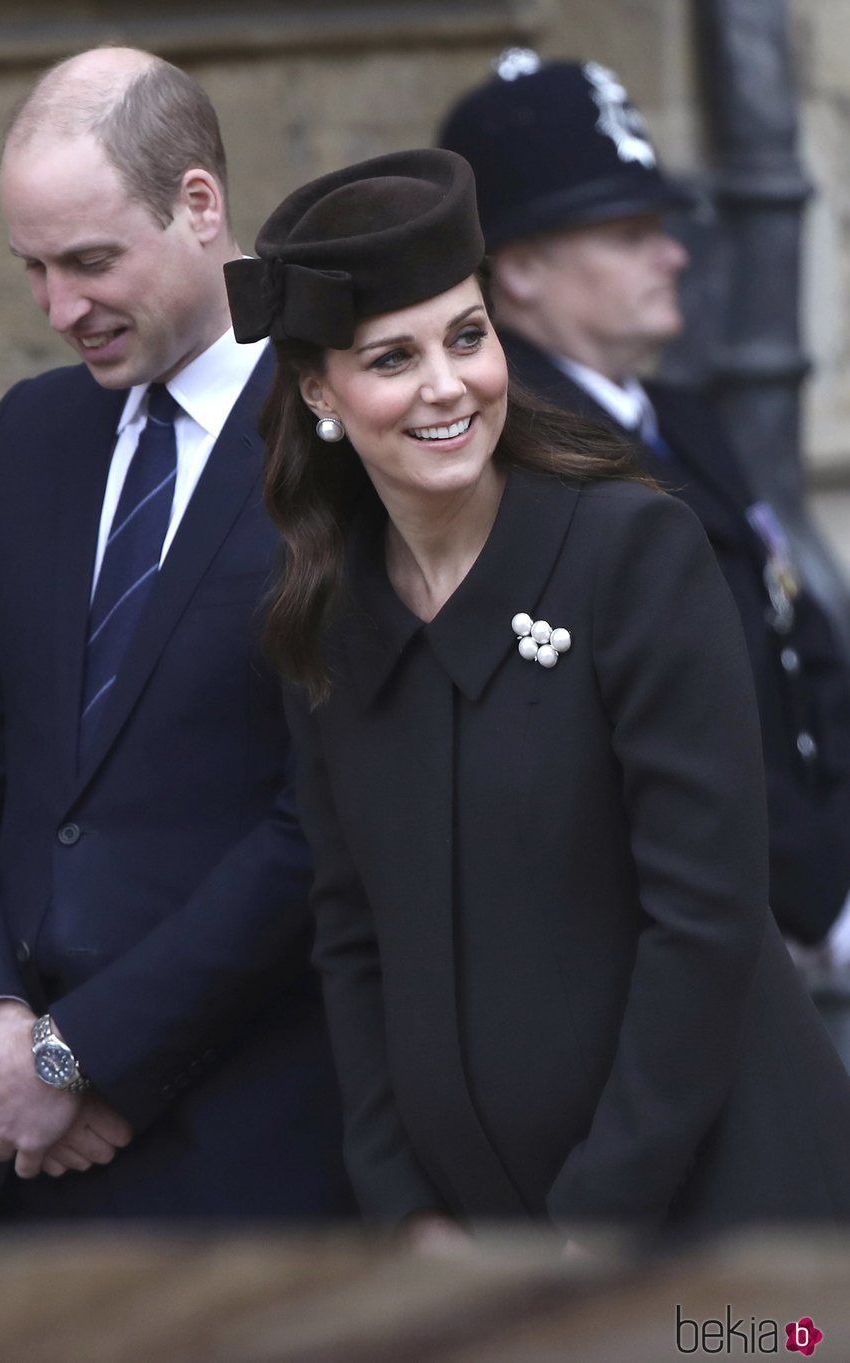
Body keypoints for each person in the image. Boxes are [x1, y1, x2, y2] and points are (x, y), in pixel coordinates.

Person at [223, 147, 850, 1241]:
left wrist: (582, 1229)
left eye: (467, 337)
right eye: (391, 357)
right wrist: (403, 1209)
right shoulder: (321, 618)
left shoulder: (631, 549)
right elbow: (350, 934)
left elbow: (701, 922)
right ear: (319, 392)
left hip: (722, 1238)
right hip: (475, 1248)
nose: (445, 384)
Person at [0, 47, 350, 1234]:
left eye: (91, 262)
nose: (58, 308)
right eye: (32, 268)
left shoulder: (338, 441)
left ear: (199, 205)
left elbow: (322, 816)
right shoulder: (32, 434)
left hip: (242, 1154)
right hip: (4, 1167)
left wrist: (79, 1058)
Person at [438, 50, 850, 962]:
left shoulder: (686, 420)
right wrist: (821, 897)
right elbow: (660, 717)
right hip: (665, 937)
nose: (672, 253)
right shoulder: (522, 457)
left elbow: (804, 646)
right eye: (628, 233)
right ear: (522, 269)